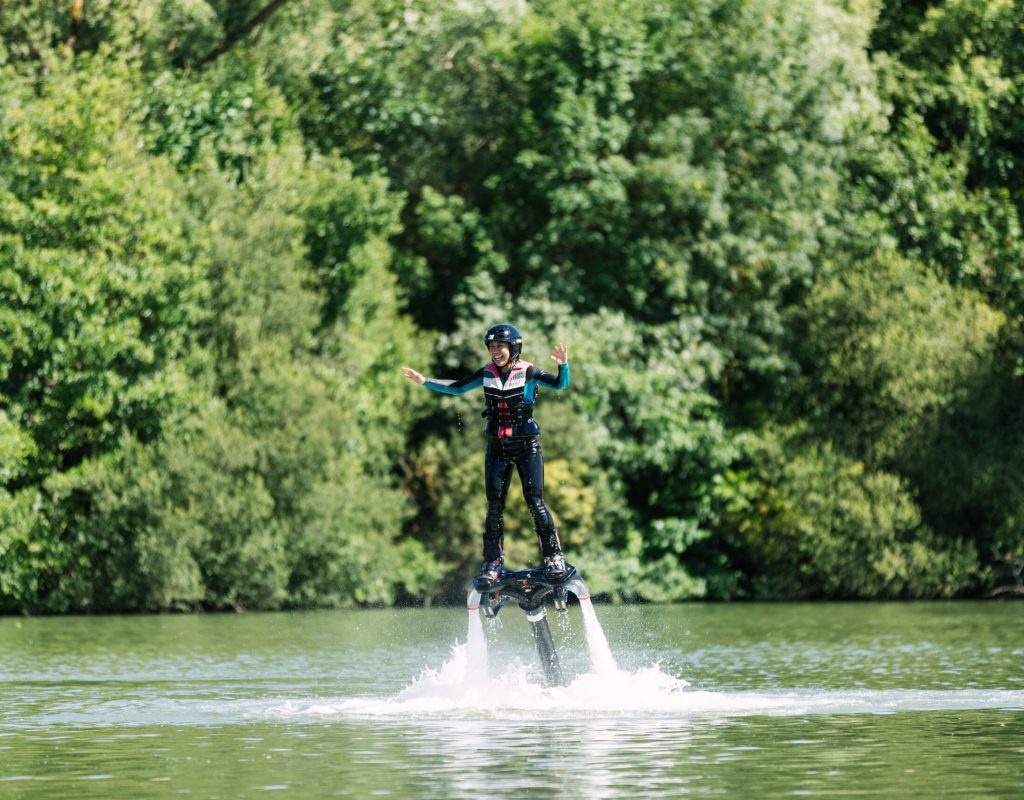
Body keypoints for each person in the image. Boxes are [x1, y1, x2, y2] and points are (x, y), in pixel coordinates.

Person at [402, 323, 571, 584]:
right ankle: (492, 563)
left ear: (514, 348)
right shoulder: (486, 373)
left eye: (500, 347)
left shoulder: (528, 372)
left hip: (527, 446)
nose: (495, 352)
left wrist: (563, 365)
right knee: (494, 507)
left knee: (535, 503)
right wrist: (424, 380)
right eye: (491, 347)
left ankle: (554, 558)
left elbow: (560, 385)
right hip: (497, 448)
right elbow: (457, 387)